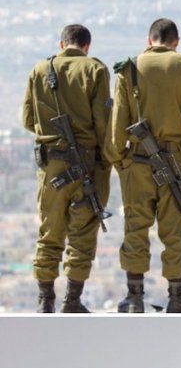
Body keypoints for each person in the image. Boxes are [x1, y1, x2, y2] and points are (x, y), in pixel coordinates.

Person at [106, 18, 181, 313]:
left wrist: (119, 159)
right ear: (176, 41)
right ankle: (177, 296)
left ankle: (134, 296)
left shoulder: (129, 68)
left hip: (137, 162)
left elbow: (118, 123)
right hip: (177, 161)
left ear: (148, 39)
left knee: (136, 226)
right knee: (175, 227)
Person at [23, 24, 112, 313]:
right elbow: (103, 123)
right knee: (82, 233)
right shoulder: (95, 70)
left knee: (50, 230)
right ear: (87, 46)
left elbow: (27, 118)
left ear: (62, 45)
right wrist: (109, 159)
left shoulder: (39, 70)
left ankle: (44, 300)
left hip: (51, 165)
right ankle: (72, 301)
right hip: (87, 164)